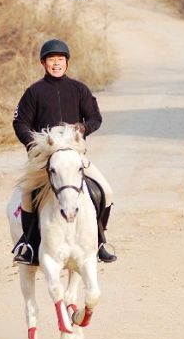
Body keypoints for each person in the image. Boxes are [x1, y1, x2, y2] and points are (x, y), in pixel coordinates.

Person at [12, 38, 117, 264]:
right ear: (43, 63)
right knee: (27, 196)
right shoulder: (33, 92)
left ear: (67, 63)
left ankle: (99, 241)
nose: (56, 64)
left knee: (106, 191)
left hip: (74, 156)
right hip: (45, 159)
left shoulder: (79, 89)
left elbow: (95, 118)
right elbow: (20, 123)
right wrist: (35, 145)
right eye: (52, 60)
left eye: (61, 59)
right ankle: (28, 244)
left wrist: (84, 127)